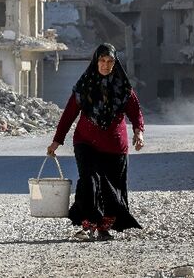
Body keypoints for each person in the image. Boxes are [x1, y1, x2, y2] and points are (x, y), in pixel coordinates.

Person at [47, 43, 145, 241]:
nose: (105, 65)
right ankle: (88, 224)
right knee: (88, 181)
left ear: (115, 63)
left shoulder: (123, 88)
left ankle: (103, 226)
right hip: (86, 142)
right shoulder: (84, 86)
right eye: (102, 60)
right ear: (95, 61)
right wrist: (57, 141)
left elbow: (136, 113)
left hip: (115, 146)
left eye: (110, 61)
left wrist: (138, 133)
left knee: (111, 188)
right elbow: (68, 115)